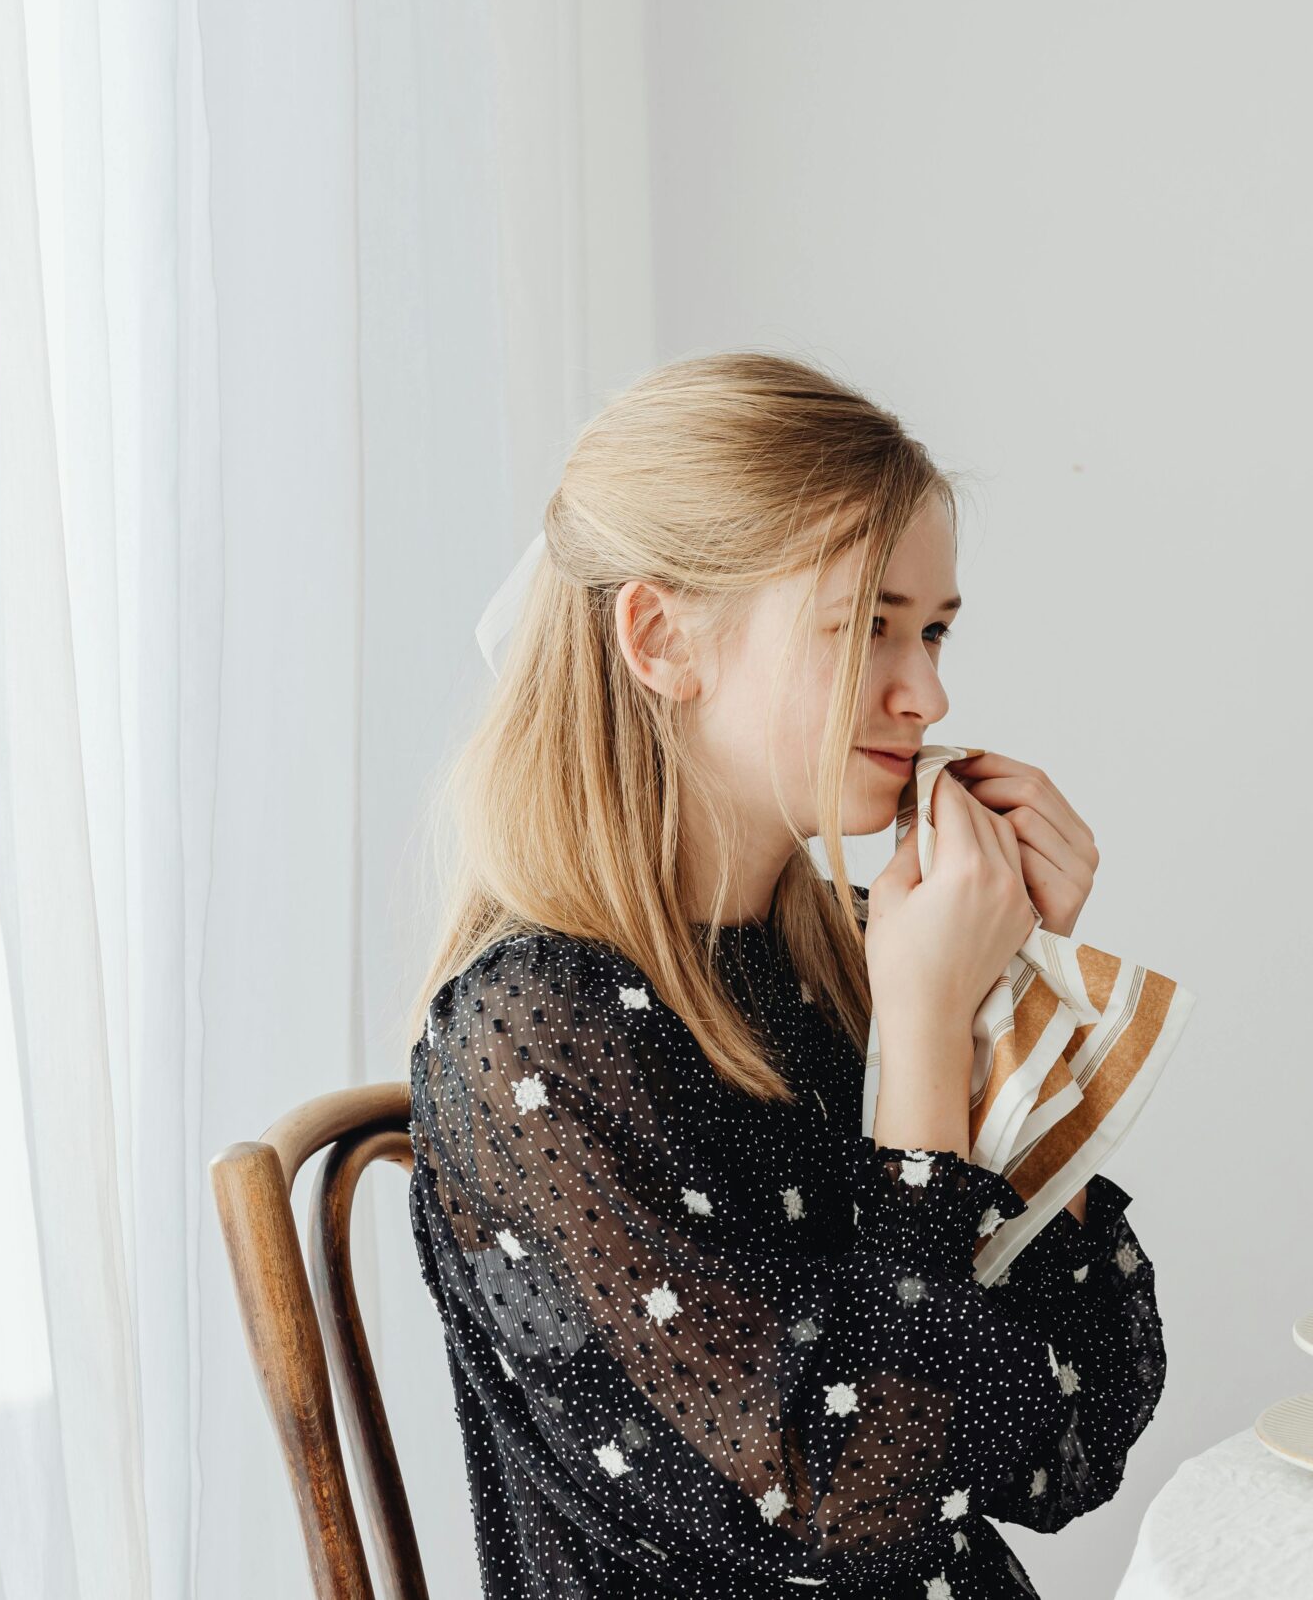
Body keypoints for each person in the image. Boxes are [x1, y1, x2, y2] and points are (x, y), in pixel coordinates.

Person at [407, 354, 1160, 1598]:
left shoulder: (863, 954)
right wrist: (925, 1028)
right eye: (866, 626)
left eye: (932, 630)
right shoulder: (533, 1034)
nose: (926, 691)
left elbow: (1071, 1446)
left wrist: (1009, 1009)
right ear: (660, 637)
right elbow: (847, 1512)